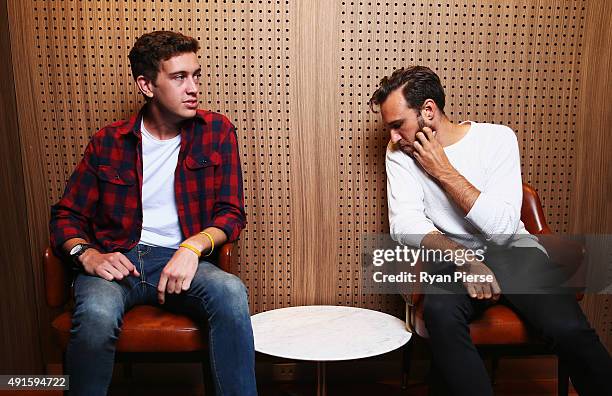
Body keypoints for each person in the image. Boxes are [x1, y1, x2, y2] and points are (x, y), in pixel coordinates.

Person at [369, 66, 612, 395]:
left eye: (398, 125)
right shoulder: (400, 152)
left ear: (428, 110)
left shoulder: (498, 138)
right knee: (441, 314)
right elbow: (405, 224)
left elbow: (502, 230)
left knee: (568, 329)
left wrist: (443, 171)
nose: (394, 138)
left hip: (514, 252)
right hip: (453, 258)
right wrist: (465, 258)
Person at [49, 30, 257, 396]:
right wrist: (88, 254)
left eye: (196, 75)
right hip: (119, 260)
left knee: (230, 292)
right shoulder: (108, 142)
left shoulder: (217, 131)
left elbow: (230, 213)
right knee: (96, 316)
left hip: (180, 259)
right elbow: (65, 216)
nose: (193, 87)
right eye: (179, 78)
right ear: (146, 85)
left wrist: (191, 248)